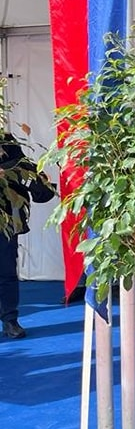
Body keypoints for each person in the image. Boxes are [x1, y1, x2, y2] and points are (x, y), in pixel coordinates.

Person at [0, 134, 56, 339]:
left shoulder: (5, 140)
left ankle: (10, 320)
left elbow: (25, 171)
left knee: (6, 270)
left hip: (5, 219)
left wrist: (10, 173)